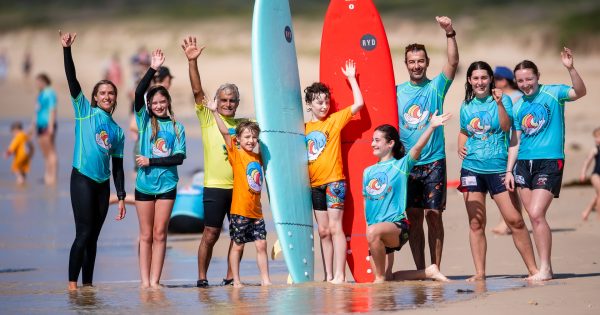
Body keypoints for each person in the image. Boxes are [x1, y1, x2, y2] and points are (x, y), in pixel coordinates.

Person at [505, 47, 587, 281]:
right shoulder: (518, 105)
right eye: (520, 80)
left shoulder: (553, 93)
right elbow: (515, 140)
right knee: (533, 217)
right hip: (522, 163)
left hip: (550, 161)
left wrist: (571, 69)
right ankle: (543, 268)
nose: (525, 84)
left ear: (537, 76)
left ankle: (546, 268)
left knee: (537, 213)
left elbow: (580, 92)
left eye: (529, 79)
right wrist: (509, 170)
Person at [457, 61, 539, 281]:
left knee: (515, 220)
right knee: (476, 223)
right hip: (472, 169)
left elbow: (506, 127)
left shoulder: (504, 101)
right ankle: (480, 273)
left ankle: (533, 269)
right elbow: (465, 131)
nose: (480, 82)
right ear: (469, 81)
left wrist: (500, 104)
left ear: (490, 79)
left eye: (484, 77)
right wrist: (459, 144)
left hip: (500, 169)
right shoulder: (466, 106)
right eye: (475, 78)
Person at [60, 31, 127, 290]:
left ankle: (87, 286)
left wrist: (121, 196)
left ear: (114, 98)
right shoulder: (84, 112)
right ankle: (71, 286)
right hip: (82, 178)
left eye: (111, 93)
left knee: (94, 238)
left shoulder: (118, 131)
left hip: (103, 184)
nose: (107, 96)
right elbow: (71, 79)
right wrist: (66, 50)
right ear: (95, 97)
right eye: (102, 93)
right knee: (83, 233)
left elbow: (118, 168)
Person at [396, 16, 459, 270]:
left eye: (420, 61)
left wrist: (450, 33)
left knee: (434, 215)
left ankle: (436, 267)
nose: (416, 65)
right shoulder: (396, 91)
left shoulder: (436, 88)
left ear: (427, 63)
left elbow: (453, 62)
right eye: (412, 62)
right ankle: (421, 269)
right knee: (413, 217)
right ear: (406, 64)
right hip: (408, 163)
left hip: (434, 161)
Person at [182, 36, 244, 287]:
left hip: (239, 187)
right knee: (211, 233)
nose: (227, 104)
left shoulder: (245, 126)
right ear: (216, 102)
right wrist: (192, 62)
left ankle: (231, 277)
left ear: (237, 104)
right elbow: (197, 91)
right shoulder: (209, 118)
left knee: (238, 235)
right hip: (215, 186)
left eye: (232, 100)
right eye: (224, 100)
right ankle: (202, 277)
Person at [363, 118, 451, 283]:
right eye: (372, 140)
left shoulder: (400, 166)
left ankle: (379, 280)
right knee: (388, 278)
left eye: (377, 140)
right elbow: (366, 202)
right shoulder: (367, 172)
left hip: (397, 227)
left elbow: (417, 148)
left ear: (390, 144)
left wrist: (431, 127)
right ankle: (428, 272)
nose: (372, 144)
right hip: (376, 232)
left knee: (379, 279)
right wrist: (368, 228)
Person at [304, 60, 364, 284]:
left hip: (335, 182)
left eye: (326, 101)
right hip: (314, 185)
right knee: (323, 231)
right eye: (319, 102)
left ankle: (340, 275)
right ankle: (328, 275)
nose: (324, 106)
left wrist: (351, 79)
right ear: (309, 104)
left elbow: (359, 104)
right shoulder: (303, 128)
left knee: (335, 227)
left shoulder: (334, 120)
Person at [134, 49, 186, 289]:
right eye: (154, 102)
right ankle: (144, 282)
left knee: (160, 234)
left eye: (162, 101)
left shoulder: (177, 127)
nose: (158, 105)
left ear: (168, 102)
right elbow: (137, 93)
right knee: (145, 235)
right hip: (144, 185)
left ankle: (155, 281)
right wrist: (153, 68)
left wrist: (151, 161)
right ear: (149, 105)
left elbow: (178, 158)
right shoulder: (144, 121)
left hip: (167, 186)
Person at [205, 99, 271, 287]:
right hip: (240, 210)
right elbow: (225, 133)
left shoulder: (258, 156)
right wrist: (214, 112)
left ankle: (265, 280)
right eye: (247, 137)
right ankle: (237, 280)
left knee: (262, 245)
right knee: (238, 244)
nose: (251, 141)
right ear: (239, 140)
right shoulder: (236, 153)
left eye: (253, 138)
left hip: (256, 211)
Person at [491, 65, 523, 235]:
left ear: (503, 80)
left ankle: (509, 222)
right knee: (510, 186)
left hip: (516, 145)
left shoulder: (517, 98)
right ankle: (509, 221)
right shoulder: (502, 97)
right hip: (505, 146)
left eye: (495, 79)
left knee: (511, 187)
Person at [29, 73, 58, 185]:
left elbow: (52, 110)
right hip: (39, 125)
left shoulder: (50, 93)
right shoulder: (40, 94)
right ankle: (47, 175)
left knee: (51, 151)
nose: (36, 84)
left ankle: (53, 177)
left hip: (47, 125)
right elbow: (37, 111)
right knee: (45, 152)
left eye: (38, 82)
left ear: (44, 81)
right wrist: (32, 126)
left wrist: (50, 126)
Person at [580, 127, 600, 221]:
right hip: (596, 175)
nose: (596, 139)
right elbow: (587, 161)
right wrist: (583, 173)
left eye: (598, 137)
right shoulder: (595, 149)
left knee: (598, 195)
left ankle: (586, 211)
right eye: (595, 137)